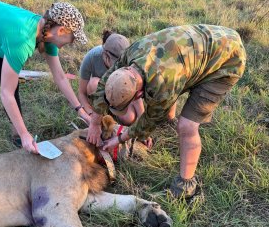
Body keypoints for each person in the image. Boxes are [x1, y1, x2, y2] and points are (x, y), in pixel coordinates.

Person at [87, 24, 246, 198]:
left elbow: (148, 122)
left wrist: (118, 139)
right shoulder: (131, 53)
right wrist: (94, 123)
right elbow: (103, 83)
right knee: (175, 88)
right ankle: (172, 118)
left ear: (139, 93)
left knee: (187, 126)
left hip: (227, 58)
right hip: (204, 42)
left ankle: (185, 187)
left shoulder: (162, 87)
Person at [0, 0, 90, 153]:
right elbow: (6, 93)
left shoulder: (46, 33)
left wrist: (80, 110)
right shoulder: (22, 41)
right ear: (60, 31)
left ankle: (16, 135)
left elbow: (59, 76)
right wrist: (26, 133)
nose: (72, 43)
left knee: (13, 85)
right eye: (73, 38)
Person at [78, 30, 130, 115]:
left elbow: (134, 97)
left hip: (120, 93)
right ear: (105, 55)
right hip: (100, 92)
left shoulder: (129, 60)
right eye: (115, 64)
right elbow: (81, 93)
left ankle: (112, 114)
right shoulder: (92, 57)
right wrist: (90, 114)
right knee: (93, 83)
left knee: (129, 118)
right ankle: (101, 112)